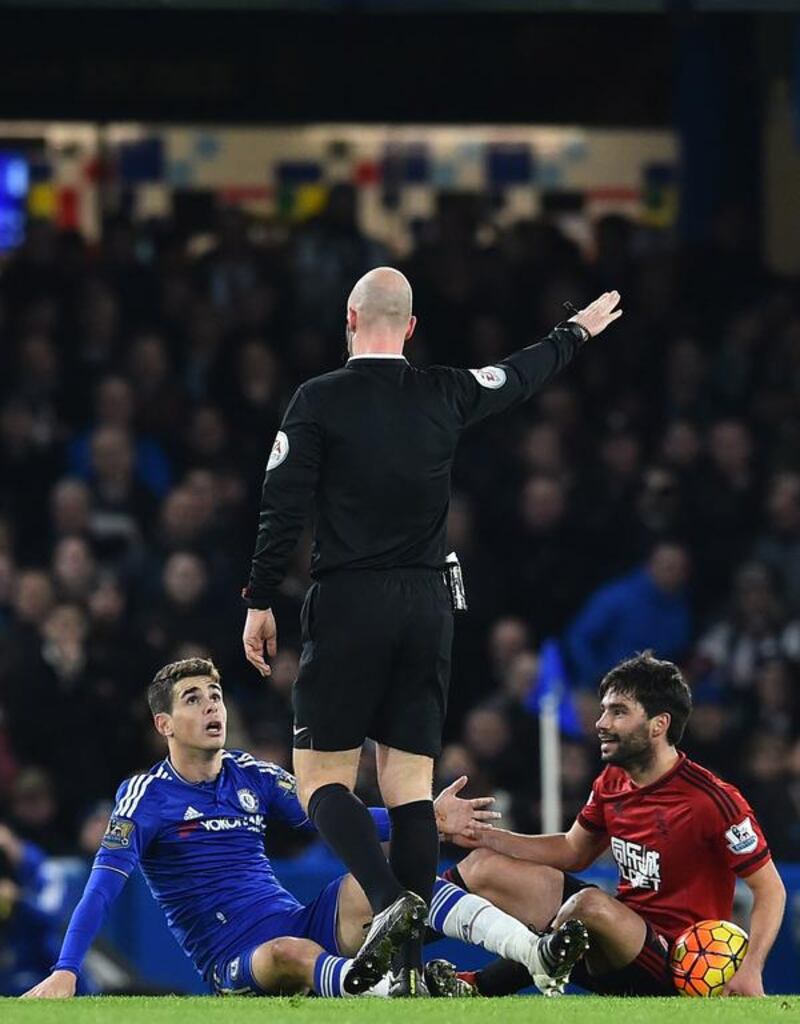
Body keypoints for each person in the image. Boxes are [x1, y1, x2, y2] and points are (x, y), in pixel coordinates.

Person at [241, 267, 622, 991]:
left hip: (350, 600)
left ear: (350, 318)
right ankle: (410, 975)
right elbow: (517, 376)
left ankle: (391, 907)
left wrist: (260, 598)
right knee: (410, 786)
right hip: (428, 605)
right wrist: (574, 334)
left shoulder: (317, 400)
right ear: (410, 327)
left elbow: (281, 502)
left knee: (319, 776)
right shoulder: (444, 391)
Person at [22, 657, 588, 1000]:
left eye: (215, 695)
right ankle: (396, 993)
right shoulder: (146, 797)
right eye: (193, 700)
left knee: (397, 877)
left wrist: (424, 821)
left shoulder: (252, 775)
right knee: (288, 952)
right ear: (164, 724)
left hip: (303, 920)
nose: (211, 706)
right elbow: (102, 886)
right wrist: (67, 969)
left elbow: (334, 819)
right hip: (236, 959)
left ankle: (535, 955)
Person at [444, 652, 787, 997]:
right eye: (604, 709)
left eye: (618, 711)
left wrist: (750, 969)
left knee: (589, 905)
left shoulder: (711, 800)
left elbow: (770, 889)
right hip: (609, 945)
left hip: (673, 964)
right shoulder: (613, 780)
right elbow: (572, 850)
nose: (601, 722)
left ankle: (481, 985)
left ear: (659, 724)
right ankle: (398, 951)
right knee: (482, 867)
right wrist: (484, 836)